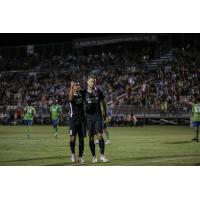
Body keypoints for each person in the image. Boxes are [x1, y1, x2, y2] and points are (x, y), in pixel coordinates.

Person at [82, 75, 109, 163]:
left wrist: (105, 112)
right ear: (87, 82)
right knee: (91, 138)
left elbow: (103, 102)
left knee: (100, 136)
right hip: (88, 118)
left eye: (94, 81)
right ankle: (94, 156)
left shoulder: (99, 92)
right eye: (91, 81)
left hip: (98, 116)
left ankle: (102, 155)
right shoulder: (83, 92)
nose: (93, 83)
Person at [68, 81, 86, 163]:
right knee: (72, 138)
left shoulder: (81, 94)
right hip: (73, 119)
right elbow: (70, 99)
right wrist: (71, 87)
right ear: (73, 87)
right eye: (76, 85)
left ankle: (80, 156)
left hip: (82, 119)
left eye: (79, 85)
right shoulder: (71, 94)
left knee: (81, 139)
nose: (78, 86)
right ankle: (72, 154)